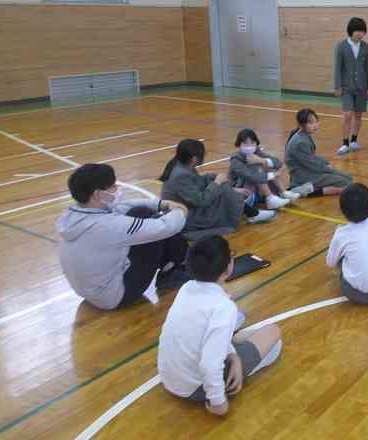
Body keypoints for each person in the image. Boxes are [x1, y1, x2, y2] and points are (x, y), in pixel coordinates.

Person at [158, 235, 282, 416]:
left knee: (235, 338)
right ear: (228, 268)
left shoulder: (186, 288)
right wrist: (218, 403)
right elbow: (209, 364)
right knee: (274, 334)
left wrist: (233, 357)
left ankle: (236, 354)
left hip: (168, 377)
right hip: (195, 388)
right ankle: (243, 367)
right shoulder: (224, 307)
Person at [56, 163, 190, 310]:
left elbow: (124, 206)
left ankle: (170, 265)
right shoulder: (107, 226)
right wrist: (180, 211)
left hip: (88, 292)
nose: (117, 189)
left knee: (140, 211)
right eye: (112, 186)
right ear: (97, 194)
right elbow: (165, 227)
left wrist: (161, 204)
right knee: (160, 229)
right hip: (116, 297)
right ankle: (173, 271)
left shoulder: (72, 215)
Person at [160, 139, 274, 229]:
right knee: (221, 189)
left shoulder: (182, 164)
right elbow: (201, 201)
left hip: (186, 207)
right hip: (186, 215)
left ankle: (247, 209)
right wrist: (217, 183)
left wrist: (212, 177)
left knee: (221, 186)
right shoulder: (181, 175)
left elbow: (196, 183)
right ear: (194, 159)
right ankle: (251, 212)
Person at [326, 183, 368, 305]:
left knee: (342, 256)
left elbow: (330, 262)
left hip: (356, 294)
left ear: (343, 211)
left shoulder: (342, 233)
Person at [229, 128, 306, 212]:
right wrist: (272, 175)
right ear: (239, 145)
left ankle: (283, 192)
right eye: (245, 143)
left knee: (266, 163)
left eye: (252, 143)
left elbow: (278, 163)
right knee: (255, 166)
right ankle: (270, 198)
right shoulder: (235, 160)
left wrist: (262, 160)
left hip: (257, 190)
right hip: (243, 192)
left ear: (256, 143)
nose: (249, 146)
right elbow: (252, 176)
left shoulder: (257, 152)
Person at [285, 108, 352, 197]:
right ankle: (301, 188)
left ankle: (311, 188)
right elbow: (312, 164)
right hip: (303, 174)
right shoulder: (300, 142)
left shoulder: (303, 134)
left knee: (347, 178)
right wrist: (331, 170)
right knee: (345, 181)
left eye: (316, 121)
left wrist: (326, 163)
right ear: (301, 125)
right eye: (311, 123)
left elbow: (312, 157)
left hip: (306, 169)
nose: (315, 125)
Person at [334, 17, 368, 155]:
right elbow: (338, 67)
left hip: (362, 87)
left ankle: (354, 140)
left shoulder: (366, 47)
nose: (360, 33)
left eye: (362, 31)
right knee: (347, 114)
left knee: (358, 115)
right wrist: (337, 86)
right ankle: (345, 143)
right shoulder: (341, 46)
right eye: (357, 30)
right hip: (346, 87)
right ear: (351, 31)